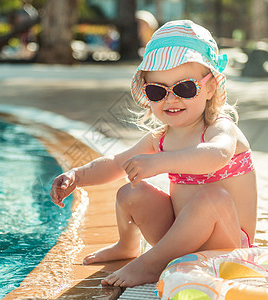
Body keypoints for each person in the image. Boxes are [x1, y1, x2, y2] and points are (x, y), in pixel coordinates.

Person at [50, 20, 257, 288]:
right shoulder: (161, 138)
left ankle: (152, 264)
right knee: (131, 191)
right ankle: (128, 246)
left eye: (184, 88)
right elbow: (115, 163)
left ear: (209, 88)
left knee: (212, 197)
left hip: (226, 246)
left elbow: (215, 155)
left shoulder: (220, 129)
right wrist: (77, 176)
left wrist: (160, 162)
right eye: (157, 91)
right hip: (178, 241)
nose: (171, 99)